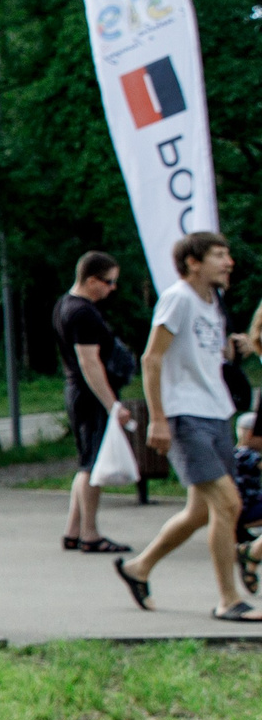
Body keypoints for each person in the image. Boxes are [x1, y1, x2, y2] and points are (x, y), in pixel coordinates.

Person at [114, 233, 257, 622]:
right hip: (185, 417)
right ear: (193, 262)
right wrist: (158, 419)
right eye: (219, 255)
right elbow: (152, 359)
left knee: (199, 512)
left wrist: (237, 347)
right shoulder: (178, 298)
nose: (228, 262)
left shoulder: (213, 304)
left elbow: (203, 354)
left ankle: (138, 568)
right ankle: (228, 600)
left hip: (216, 413)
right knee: (228, 504)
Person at [52, 251, 134, 554]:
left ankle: (74, 530)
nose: (112, 289)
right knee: (93, 465)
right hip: (89, 394)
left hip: (78, 391)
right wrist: (112, 403)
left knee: (86, 460)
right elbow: (90, 363)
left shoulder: (65, 304)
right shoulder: (83, 312)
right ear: (91, 280)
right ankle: (90, 533)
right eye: (109, 282)